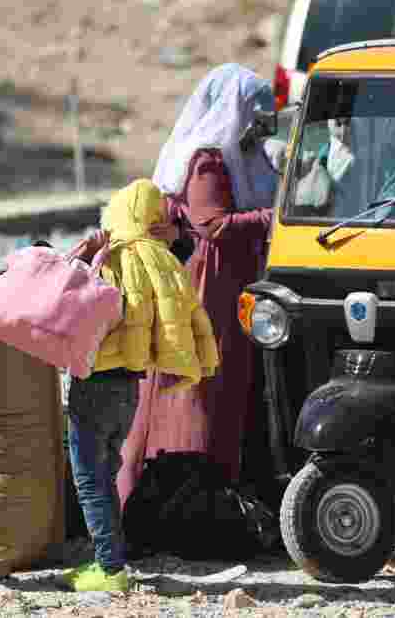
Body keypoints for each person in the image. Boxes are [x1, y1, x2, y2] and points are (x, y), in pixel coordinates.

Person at [117, 63, 280, 505]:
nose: (259, 127)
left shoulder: (245, 157)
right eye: (254, 116)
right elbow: (213, 224)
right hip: (209, 282)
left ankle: (218, 494)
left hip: (238, 280)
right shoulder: (208, 159)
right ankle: (180, 497)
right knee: (198, 389)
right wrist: (276, 217)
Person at [58, 179, 219, 592]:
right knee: (107, 473)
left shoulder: (113, 259)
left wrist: (83, 259)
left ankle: (109, 569)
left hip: (93, 383)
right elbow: (189, 249)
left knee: (89, 478)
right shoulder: (158, 259)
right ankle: (114, 559)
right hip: (130, 386)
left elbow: (76, 304)